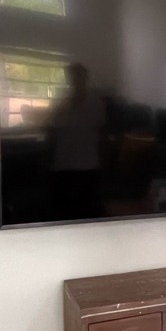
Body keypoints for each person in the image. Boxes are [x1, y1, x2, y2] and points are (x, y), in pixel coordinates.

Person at [49, 62, 105, 220]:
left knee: (86, 211)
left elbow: (102, 134)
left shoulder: (96, 104)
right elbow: (53, 129)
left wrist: (103, 161)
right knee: (64, 212)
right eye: (72, 77)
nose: (75, 80)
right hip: (64, 164)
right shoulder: (62, 104)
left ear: (85, 78)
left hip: (87, 165)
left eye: (78, 76)